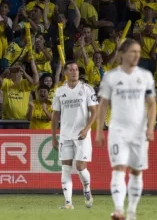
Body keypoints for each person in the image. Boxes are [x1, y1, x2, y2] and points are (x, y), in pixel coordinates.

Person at [96, 39, 157, 220]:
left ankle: (131, 211)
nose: (137, 55)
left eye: (138, 51)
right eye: (133, 51)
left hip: (139, 132)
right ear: (122, 53)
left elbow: (152, 104)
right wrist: (99, 131)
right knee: (119, 168)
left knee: (136, 171)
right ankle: (118, 210)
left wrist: (150, 128)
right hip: (118, 131)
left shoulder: (145, 76)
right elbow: (103, 104)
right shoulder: (111, 77)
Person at [51, 62, 98, 210]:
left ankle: (87, 188)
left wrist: (86, 129)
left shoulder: (87, 89)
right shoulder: (59, 92)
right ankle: (68, 203)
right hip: (65, 136)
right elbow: (55, 115)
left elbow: (94, 111)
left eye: (76, 69)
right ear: (65, 72)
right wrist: (53, 136)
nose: (74, 72)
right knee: (65, 168)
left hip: (82, 135)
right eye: (71, 70)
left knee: (80, 167)